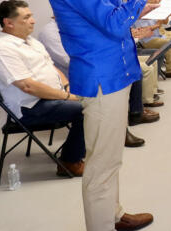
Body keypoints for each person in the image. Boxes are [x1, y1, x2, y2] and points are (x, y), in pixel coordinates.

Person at [45, 0, 160, 231]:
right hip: (102, 75)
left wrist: (140, 8)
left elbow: (109, 16)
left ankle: (112, 215)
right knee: (101, 164)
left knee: (108, 158)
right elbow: (111, 23)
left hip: (110, 68)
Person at [0, 0, 86, 177]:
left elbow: (53, 68)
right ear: (8, 23)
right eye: (26, 17)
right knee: (85, 109)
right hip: (31, 107)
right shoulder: (1, 49)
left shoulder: (31, 42)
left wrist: (68, 87)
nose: (33, 20)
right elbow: (28, 86)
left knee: (89, 101)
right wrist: (67, 96)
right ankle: (70, 161)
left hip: (50, 99)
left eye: (31, 15)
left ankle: (78, 152)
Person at [39, 17, 154, 147]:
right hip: (74, 76)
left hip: (89, 69)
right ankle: (121, 132)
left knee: (130, 71)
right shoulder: (49, 32)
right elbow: (68, 60)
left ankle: (135, 113)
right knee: (111, 85)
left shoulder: (75, 25)